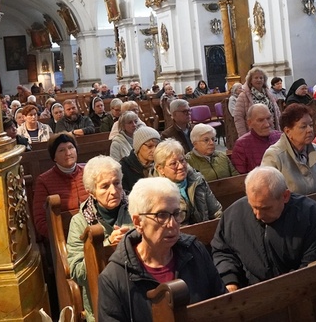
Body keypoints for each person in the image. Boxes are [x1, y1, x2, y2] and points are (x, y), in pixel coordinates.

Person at [97, 177, 225, 322]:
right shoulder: (114, 278)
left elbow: (223, 306)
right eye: (161, 215)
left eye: (176, 214)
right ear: (138, 222)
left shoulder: (195, 251)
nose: (172, 224)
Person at [211, 166, 316, 291]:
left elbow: (315, 263)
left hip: (299, 291)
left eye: (265, 208)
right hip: (250, 291)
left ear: (285, 196)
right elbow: (222, 251)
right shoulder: (233, 215)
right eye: (253, 206)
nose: (258, 215)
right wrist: (230, 280)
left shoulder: (311, 215)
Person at [67, 157, 133, 322]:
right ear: (91, 192)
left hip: (137, 291)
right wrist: (106, 246)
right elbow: (77, 273)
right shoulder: (79, 222)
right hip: (103, 299)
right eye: (104, 186)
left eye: (117, 183)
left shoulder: (135, 208)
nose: (113, 191)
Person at [261, 104, 316, 194]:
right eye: (303, 127)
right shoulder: (274, 155)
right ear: (288, 131)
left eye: (310, 125)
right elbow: (269, 193)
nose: (310, 130)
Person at [32, 133, 89, 239]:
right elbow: (41, 222)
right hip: (64, 239)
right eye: (61, 150)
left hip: (95, 232)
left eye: (71, 147)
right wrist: (64, 238)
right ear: (54, 157)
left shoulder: (89, 170)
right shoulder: (44, 181)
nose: (68, 153)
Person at [152, 139, 222, 225]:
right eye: (173, 164)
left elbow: (216, 212)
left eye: (182, 160)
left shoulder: (198, 181)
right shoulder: (155, 193)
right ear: (160, 169)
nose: (181, 166)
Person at [231, 104, 281, 174]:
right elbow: (240, 179)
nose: (267, 124)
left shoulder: (280, 137)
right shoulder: (242, 145)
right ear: (249, 123)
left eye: (269, 118)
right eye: (260, 120)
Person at [234, 67, 281, 136]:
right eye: (256, 78)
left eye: (261, 78)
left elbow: (277, 113)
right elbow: (238, 117)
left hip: (271, 131)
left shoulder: (269, 94)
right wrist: (243, 135)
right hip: (254, 134)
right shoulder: (243, 96)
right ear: (250, 80)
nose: (259, 80)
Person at [119, 126, 161, 194]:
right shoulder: (124, 167)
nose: (154, 150)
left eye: (157, 146)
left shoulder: (160, 164)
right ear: (138, 147)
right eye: (149, 146)